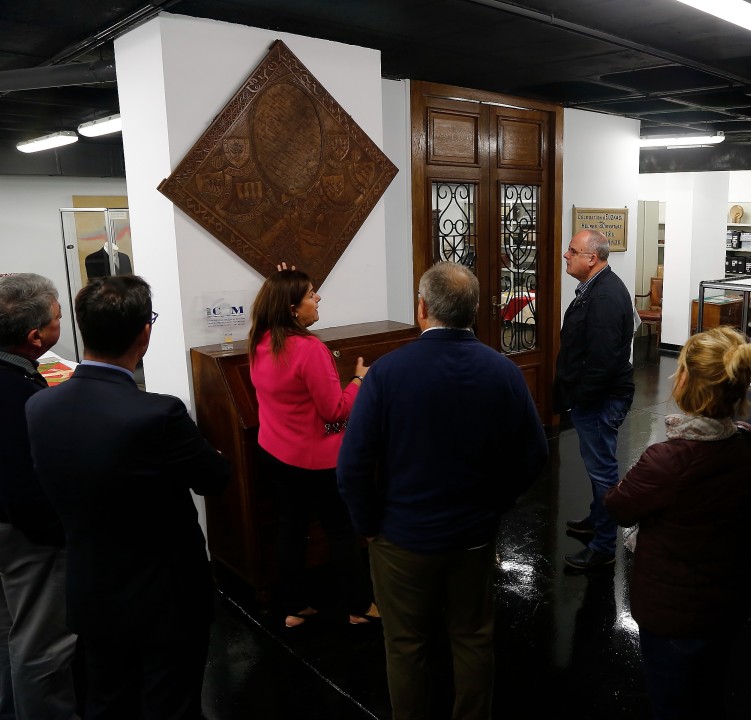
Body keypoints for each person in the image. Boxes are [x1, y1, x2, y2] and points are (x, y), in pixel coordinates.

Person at [337, 262, 548, 720]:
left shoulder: (386, 374)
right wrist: (496, 504)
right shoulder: (503, 371)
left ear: (422, 308)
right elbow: (535, 456)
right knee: (473, 638)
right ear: (473, 310)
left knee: (406, 644)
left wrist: (368, 526)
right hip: (473, 535)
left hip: (401, 536)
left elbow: (352, 465)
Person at [25, 275, 230, 719]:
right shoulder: (159, 413)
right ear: (144, 333)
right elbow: (214, 478)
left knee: (107, 701)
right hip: (167, 596)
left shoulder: (40, 406)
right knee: (171, 703)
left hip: (91, 588)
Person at [604, 327, 751, 719]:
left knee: (671, 704)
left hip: (674, 614)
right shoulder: (748, 440)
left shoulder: (668, 460)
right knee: (710, 695)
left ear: (689, 384)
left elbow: (618, 507)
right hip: (726, 602)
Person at [247, 266, 376, 629]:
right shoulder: (310, 349)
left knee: (291, 527)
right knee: (341, 530)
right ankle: (359, 607)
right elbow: (335, 410)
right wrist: (359, 380)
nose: (318, 298)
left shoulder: (260, 340)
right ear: (292, 309)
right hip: (316, 461)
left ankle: (293, 607)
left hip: (275, 453)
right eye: (310, 294)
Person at [0, 274, 77, 719]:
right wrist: (58, 533)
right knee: (42, 645)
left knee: (9, 632)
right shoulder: (14, 392)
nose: (59, 324)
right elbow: (22, 487)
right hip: (23, 534)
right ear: (35, 337)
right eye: (57, 319)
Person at [554, 229, 636, 570]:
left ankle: (603, 546)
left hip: (601, 399)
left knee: (603, 472)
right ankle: (596, 519)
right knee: (597, 468)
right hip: (598, 396)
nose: (566, 255)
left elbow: (602, 361)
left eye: (572, 251)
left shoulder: (604, 298)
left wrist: (581, 399)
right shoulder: (597, 288)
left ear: (591, 258)